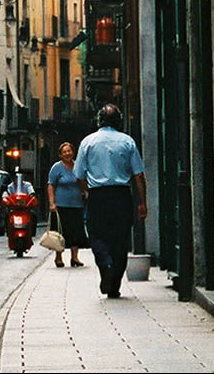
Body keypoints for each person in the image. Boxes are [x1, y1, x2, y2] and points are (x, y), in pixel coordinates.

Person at [74, 104, 147, 298]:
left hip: (98, 196)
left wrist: (86, 191)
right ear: (118, 121)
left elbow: (79, 174)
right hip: (122, 196)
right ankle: (114, 285)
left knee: (96, 234)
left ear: (99, 121)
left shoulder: (87, 142)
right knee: (120, 239)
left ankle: (105, 263)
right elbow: (138, 175)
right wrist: (142, 203)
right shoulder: (127, 141)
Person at [47, 142, 89, 268]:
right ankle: (58, 257)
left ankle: (74, 257)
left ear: (73, 152)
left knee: (75, 232)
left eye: (69, 151)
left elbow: (83, 181)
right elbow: (51, 185)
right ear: (60, 155)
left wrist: (85, 191)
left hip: (76, 205)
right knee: (60, 232)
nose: (67, 154)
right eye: (64, 152)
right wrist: (52, 203)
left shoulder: (78, 166)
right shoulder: (57, 168)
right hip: (61, 206)